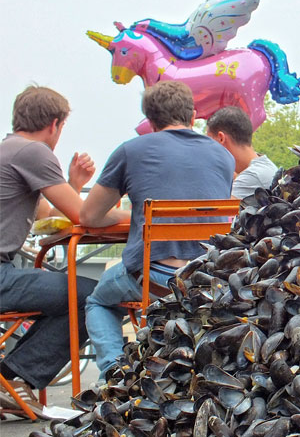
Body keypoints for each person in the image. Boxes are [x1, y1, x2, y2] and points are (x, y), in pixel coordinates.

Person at [81, 81, 234, 379]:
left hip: (154, 277)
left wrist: (131, 214)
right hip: (207, 279)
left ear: (149, 122)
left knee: (97, 300)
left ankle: (114, 371)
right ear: (192, 116)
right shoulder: (223, 156)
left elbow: (89, 215)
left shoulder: (130, 150)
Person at [0, 86, 112, 396]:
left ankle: (13, 379)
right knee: (94, 295)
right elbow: (83, 215)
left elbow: (46, 216)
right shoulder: (33, 152)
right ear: (55, 124)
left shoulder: (10, 150)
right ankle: (12, 378)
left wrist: (73, 183)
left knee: (74, 294)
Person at [206, 106, 278, 198]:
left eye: (209, 141)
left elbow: (216, 211)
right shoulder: (260, 168)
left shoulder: (253, 176)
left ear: (221, 138)